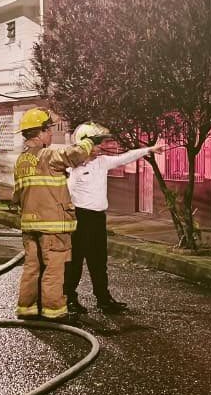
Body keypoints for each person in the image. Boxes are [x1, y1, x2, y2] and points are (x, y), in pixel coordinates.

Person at [64, 122, 163, 314]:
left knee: (99, 261)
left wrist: (150, 149)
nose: (101, 147)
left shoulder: (102, 162)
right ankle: (69, 298)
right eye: (97, 143)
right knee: (75, 262)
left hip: (98, 219)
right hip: (79, 219)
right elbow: (65, 193)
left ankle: (103, 299)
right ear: (83, 144)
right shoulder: (72, 168)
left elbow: (125, 157)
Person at [12, 107, 100, 320]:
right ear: (40, 132)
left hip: (29, 225)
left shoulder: (21, 161)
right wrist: (89, 141)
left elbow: (16, 196)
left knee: (32, 268)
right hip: (52, 226)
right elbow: (74, 154)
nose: (51, 134)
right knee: (54, 269)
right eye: (49, 130)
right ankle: (54, 312)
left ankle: (27, 308)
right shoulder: (48, 155)